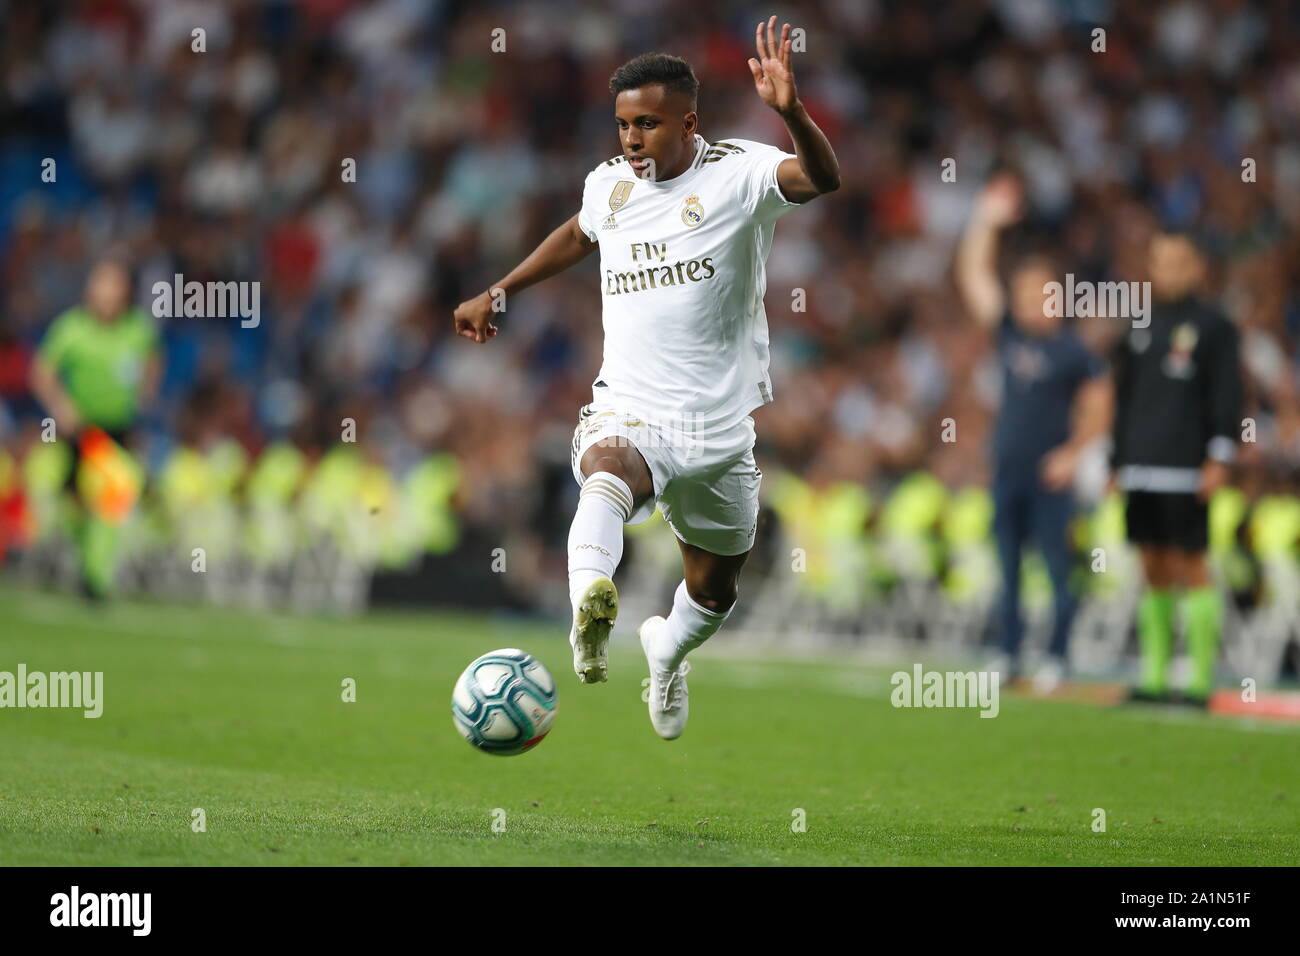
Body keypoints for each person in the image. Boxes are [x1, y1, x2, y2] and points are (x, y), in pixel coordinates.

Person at [453, 17, 839, 739]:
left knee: (713, 587)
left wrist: (791, 114)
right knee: (606, 465)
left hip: (718, 428)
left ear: (688, 123)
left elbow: (822, 177)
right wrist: (498, 290)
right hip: (630, 406)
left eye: (649, 125)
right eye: (625, 125)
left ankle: (666, 652)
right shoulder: (610, 188)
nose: (632, 139)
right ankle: (588, 601)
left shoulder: (738, 172)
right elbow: (577, 232)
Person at [956, 175, 1110, 692]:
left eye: (1037, 292)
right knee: (1008, 570)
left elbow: (1099, 407)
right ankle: (1008, 652)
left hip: (1052, 475)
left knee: (1056, 568)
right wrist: (985, 221)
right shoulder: (1011, 335)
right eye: (1022, 292)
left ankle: (1059, 656)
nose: (1028, 300)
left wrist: (1072, 453)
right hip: (1009, 469)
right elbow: (974, 274)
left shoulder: (1073, 352)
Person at [1111, 233, 1243, 706]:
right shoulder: (1138, 325)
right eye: (1160, 261)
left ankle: (1199, 679)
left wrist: (1220, 455)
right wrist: (1116, 459)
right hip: (1140, 466)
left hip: (1188, 466)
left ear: (1196, 267)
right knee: (1152, 564)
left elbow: (1227, 393)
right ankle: (1154, 674)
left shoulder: (1215, 326)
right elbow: (1124, 398)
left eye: (1178, 262)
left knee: (1192, 564)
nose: (1168, 270)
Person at [29, 259, 160, 598]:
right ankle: (86, 562)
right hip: (79, 431)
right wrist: (60, 407)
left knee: (113, 496)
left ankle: (96, 576)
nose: (104, 293)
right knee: (77, 502)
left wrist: (144, 395)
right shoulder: (72, 328)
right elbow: (41, 372)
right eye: (99, 283)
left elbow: (153, 360)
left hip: (116, 430)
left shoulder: (137, 329)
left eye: (112, 285)